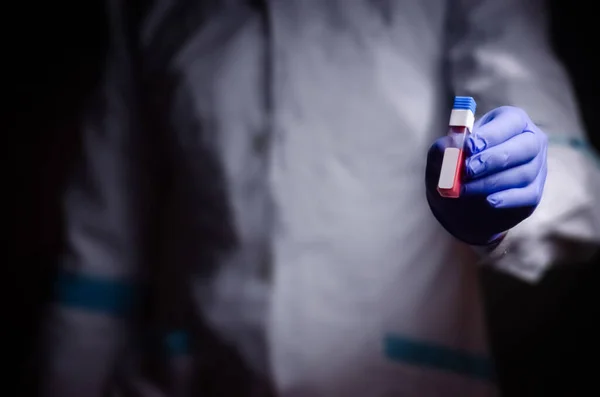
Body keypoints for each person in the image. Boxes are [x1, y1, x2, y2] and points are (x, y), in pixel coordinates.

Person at [39, 0, 600, 396]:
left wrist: (511, 193)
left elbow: (556, 148)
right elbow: (100, 256)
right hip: (195, 374)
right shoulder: (150, 12)